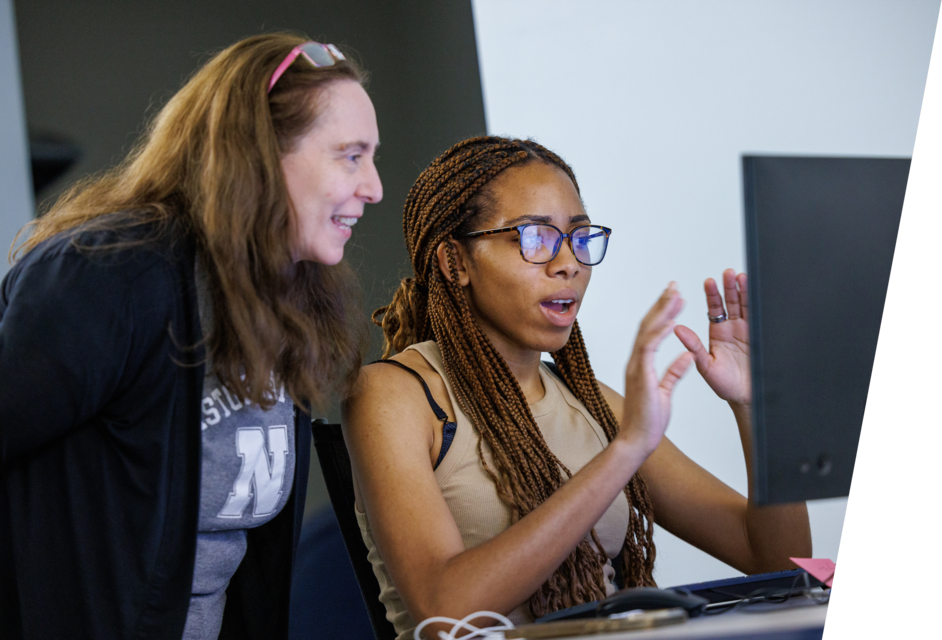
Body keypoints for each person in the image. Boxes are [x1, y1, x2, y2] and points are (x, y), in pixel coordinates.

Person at [0, 33, 382, 639]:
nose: (373, 186)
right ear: (259, 153)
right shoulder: (109, 274)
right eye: (350, 157)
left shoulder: (281, 300)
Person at [342, 136, 811, 639]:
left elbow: (781, 566)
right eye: (535, 237)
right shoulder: (391, 395)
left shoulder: (592, 403)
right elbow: (446, 614)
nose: (568, 263)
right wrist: (625, 452)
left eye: (579, 238)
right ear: (455, 262)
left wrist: (755, 406)